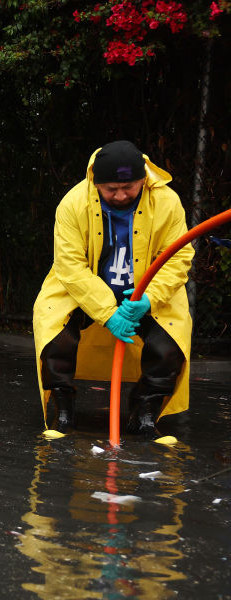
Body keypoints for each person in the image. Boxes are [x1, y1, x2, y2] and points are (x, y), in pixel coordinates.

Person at [33, 140, 193, 437]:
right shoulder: (72, 203)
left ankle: (144, 412)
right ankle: (63, 409)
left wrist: (149, 299)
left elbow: (179, 257)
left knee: (170, 342)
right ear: (96, 182)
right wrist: (108, 313)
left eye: (129, 187)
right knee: (55, 333)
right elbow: (69, 266)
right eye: (111, 189)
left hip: (144, 293)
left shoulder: (167, 202)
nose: (120, 195)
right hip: (82, 290)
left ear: (144, 180)